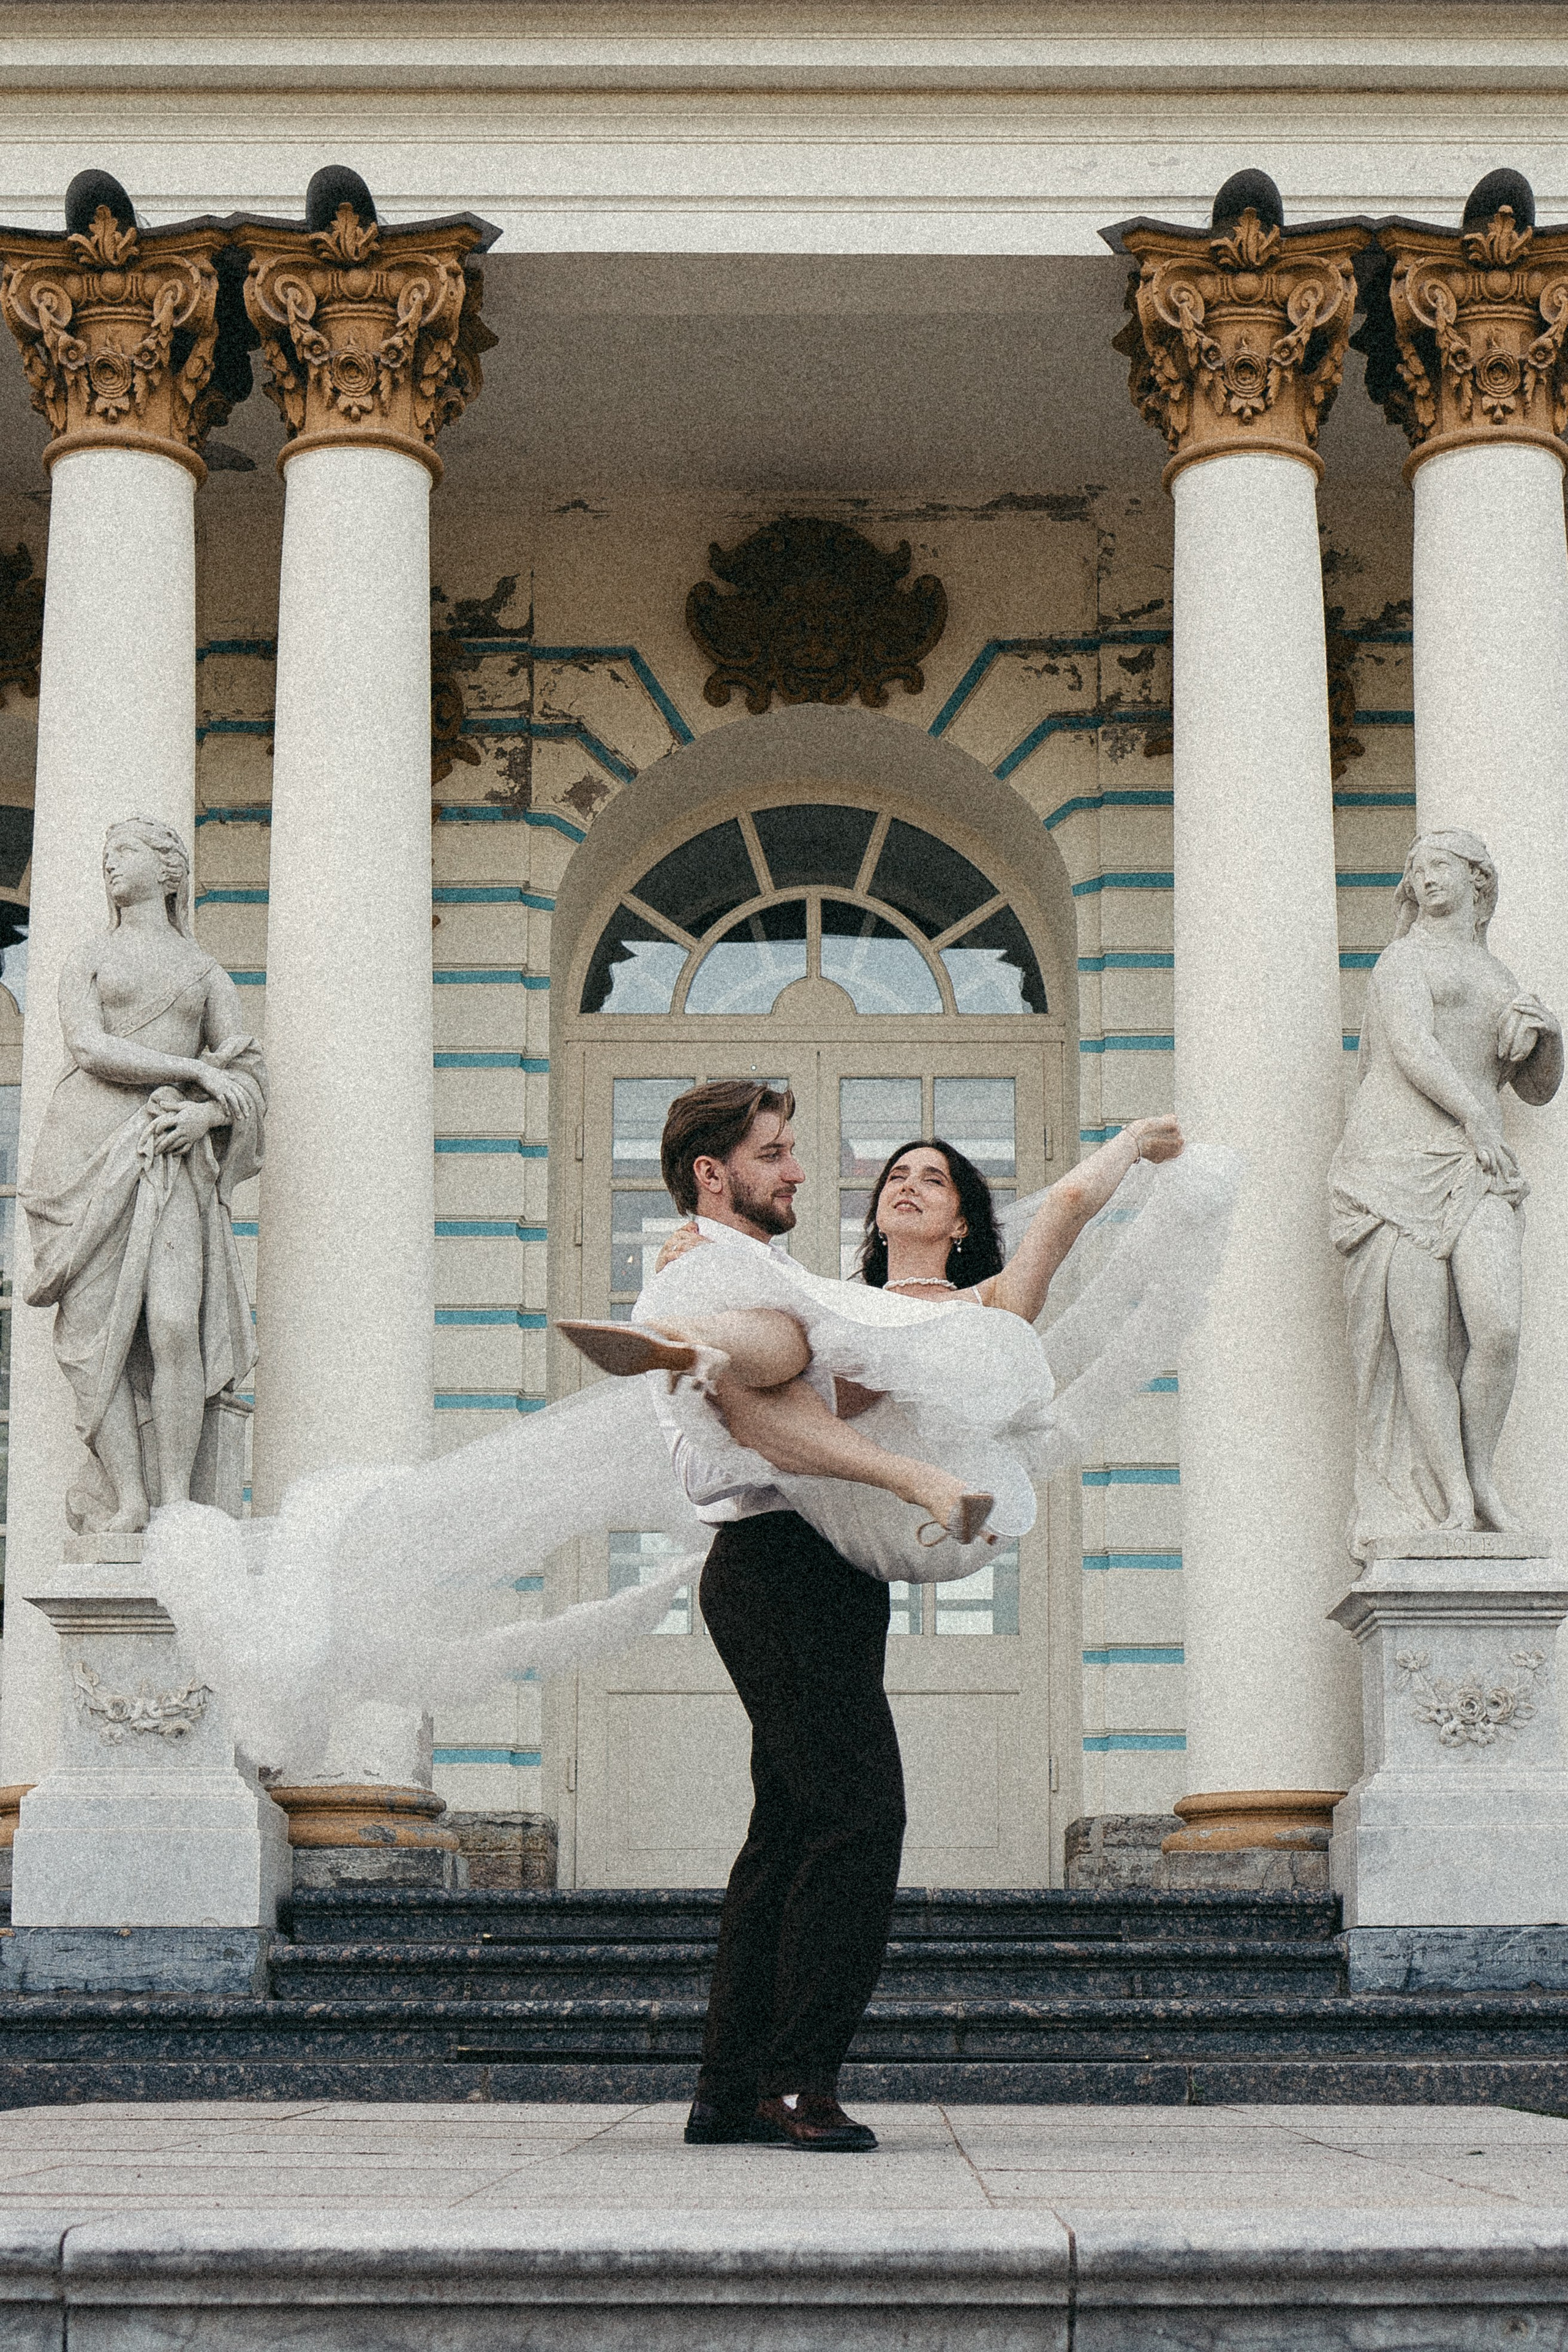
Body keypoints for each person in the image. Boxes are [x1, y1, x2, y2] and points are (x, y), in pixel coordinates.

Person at [560, 1079, 1183, 2155]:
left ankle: (728, 2088)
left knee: (791, 1827)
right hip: (775, 1557)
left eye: (932, 1178)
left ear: (963, 1220)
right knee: (860, 1817)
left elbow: (1069, 1208)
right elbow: (785, 1392)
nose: (901, 1181)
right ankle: (796, 2082)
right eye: (895, 1172)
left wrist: (1134, 1143)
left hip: (826, 1571)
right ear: (721, 1171)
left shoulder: (967, 1308)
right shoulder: (827, 1297)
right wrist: (701, 1273)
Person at [23, 816, 266, 1533]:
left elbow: (248, 1073)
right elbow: (90, 1047)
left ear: (169, 871)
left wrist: (205, 1120)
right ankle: (131, 1500)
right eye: (104, 856)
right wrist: (193, 1071)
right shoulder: (88, 960)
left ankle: (179, 1501)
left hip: (169, 1156)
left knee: (172, 1323)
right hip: (86, 1153)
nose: (109, 865)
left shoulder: (203, 971)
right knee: (102, 1341)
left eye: (123, 852)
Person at [1330, 828, 1562, 1556]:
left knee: (1498, 1328)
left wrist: (1548, 1039)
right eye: (1416, 868)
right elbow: (1411, 1046)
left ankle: (1483, 1475)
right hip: (1395, 1159)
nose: (1426, 878)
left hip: (1476, 1163)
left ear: (1477, 879)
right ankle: (1456, 1501)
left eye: (1439, 866)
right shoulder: (1404, 959)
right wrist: (1472, 1116)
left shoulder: (1499, 976)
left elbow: (1533, 1088)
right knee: (1419, 1342)